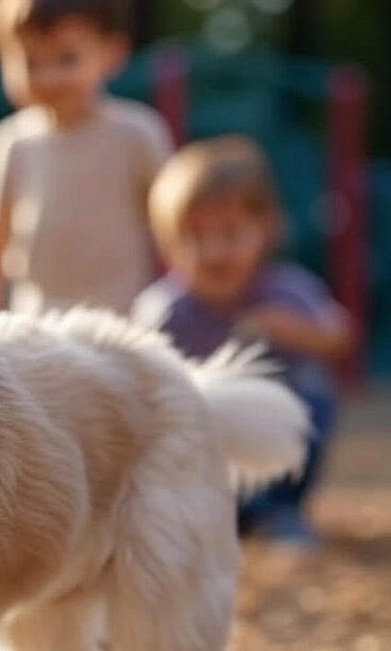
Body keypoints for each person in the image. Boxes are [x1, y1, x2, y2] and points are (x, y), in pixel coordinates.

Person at [133, 135, 354, 546]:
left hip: (278, 440)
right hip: (204, 451)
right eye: (196, 236)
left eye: (231, 232)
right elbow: (136, 372)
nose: (215, 251)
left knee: (312, 392)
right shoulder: (165, 308)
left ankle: (284, 507)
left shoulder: (285, 290)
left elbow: (341, 335)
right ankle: (219, 513)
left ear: (265, 228)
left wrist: (295, 330)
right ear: (169, 244)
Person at [0, 0, 172, 319]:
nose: (48, 77)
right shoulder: (9, 144)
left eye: (67, 59)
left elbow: (174, 233)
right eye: (31, 63)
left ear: (112, 53)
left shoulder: (139, 134)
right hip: (38, 336)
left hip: (122, 332)